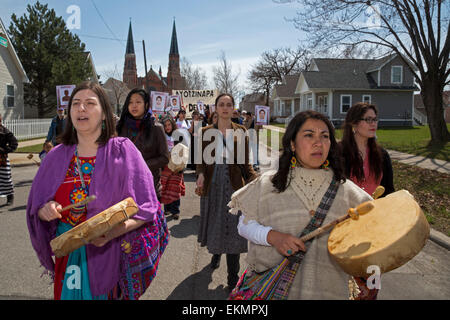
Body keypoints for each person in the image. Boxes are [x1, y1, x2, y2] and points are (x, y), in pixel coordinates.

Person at [26, 81, 169, 300]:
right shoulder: (55, 156)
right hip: (69, 255)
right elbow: (36, 204)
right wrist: (46, 208)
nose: (81, 109)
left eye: (89, 103)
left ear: (104, 113)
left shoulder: (123, 151)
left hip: (110, 254)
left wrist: (114, 232)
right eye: (75, 103)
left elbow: (147, 207)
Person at [227, 110, 378, 300]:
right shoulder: (268, 184)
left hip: (329, 290)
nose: (318, 142)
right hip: (272, 290)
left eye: (325, 136)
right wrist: (273, 237)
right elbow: (244, 225)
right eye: (309, 135)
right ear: (292, 143)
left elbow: (374, 232)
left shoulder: (347, 190)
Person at [196, 93, 258, 292]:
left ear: (233, 109)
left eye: (228, 104)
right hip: (213, 185)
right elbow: (200, 161)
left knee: (234, 230)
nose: (224, 108)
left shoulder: (241, 131)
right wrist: (200, 175)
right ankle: (216, 254)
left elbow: (246, 163)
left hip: (233, 186)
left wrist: (255, 180)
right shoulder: (205, 131)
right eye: (221, 104)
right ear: (215, 108)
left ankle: (233, 277)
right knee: (216, 224)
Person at [117, 88, 169, 200]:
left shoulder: (156, 128)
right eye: (130, 102)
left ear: (146, 105)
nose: (134, 105)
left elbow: (165, 157)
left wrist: (140, 165)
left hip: (149, 187)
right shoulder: (120, 126)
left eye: (138, 102)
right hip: (124, 187)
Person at [339, 102, 394, 197]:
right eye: (368, 119)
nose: (373, 124)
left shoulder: (382, 155)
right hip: (346, 210)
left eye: (375, 119)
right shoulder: (338, 153)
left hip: (376, 210)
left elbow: (389, 191)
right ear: (354, 123)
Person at [160, 115, 185, 220]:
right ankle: (167, 209)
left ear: (172, 124)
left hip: (176, 166)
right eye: (165, 125)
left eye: (169, 124)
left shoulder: (178, 135)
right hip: (165, 166)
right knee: (165, 188)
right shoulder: (161, 136)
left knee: (175, 187)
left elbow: (183, 150)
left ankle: (175, 211)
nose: (167, 127)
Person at [0, 114, 18, 205]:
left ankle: (10, 196)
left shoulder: (5, 131)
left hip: (2, 159)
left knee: (6, 178)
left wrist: (4, 150)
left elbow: (14, 144)